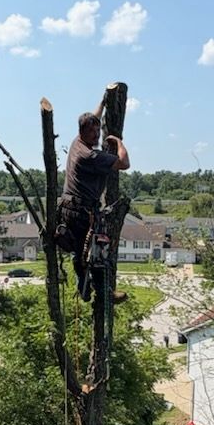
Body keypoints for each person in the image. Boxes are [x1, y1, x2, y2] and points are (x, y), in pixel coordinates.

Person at [59, 103, 130, 300]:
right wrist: (119, 142)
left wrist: (103, 102)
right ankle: (103, 292)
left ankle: (83, 285)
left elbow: (94, 117)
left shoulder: (76, 143)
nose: (97, 135)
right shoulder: (90, 155)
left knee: (79, 249)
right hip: (83, 212)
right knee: (97, 250)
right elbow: (124, 163)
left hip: (68, 208)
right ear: (82, 132)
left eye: (98, 130)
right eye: (92, 132)